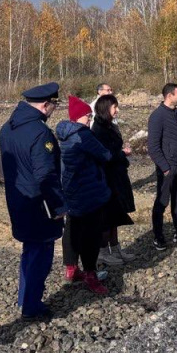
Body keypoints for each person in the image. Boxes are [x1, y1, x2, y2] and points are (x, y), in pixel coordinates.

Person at [0, 82, 67, 322]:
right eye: (54, 105)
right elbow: (45, 175)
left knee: (29, 251)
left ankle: (25, 297)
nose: (54, 111)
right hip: (40, 205)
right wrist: (58, 207)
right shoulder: (40, 132)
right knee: (40, 254)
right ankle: (31, 305)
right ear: (46, 104)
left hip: (18, 200)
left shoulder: (7, 127)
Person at [56, 96, 113, 295]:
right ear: (78, 117)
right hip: (89, 191)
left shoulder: (64, 135)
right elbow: (105, 155)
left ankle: (71, 268)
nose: (89, 120)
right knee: (91, 234)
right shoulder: (83, 135)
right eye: (87, 116)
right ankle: (90, 273)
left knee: (72, 229)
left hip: (71, 191)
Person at [91, 94, 136, 266]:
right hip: (107, 178)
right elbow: (105, 155)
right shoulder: (99, 129)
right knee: (107, 216)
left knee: (116, 214)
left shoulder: (109, 126)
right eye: (114, 107)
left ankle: (116, 248)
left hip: (116, 175)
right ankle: (103, 252)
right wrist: (122, 154)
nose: (117, 110)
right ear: (105, 109)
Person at [148, 82, 177, 249]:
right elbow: (153, 146)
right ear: (169, 96)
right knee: (162, 202)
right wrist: (165, 167)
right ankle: (158, 237)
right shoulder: (157, 116)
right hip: (168, 167)